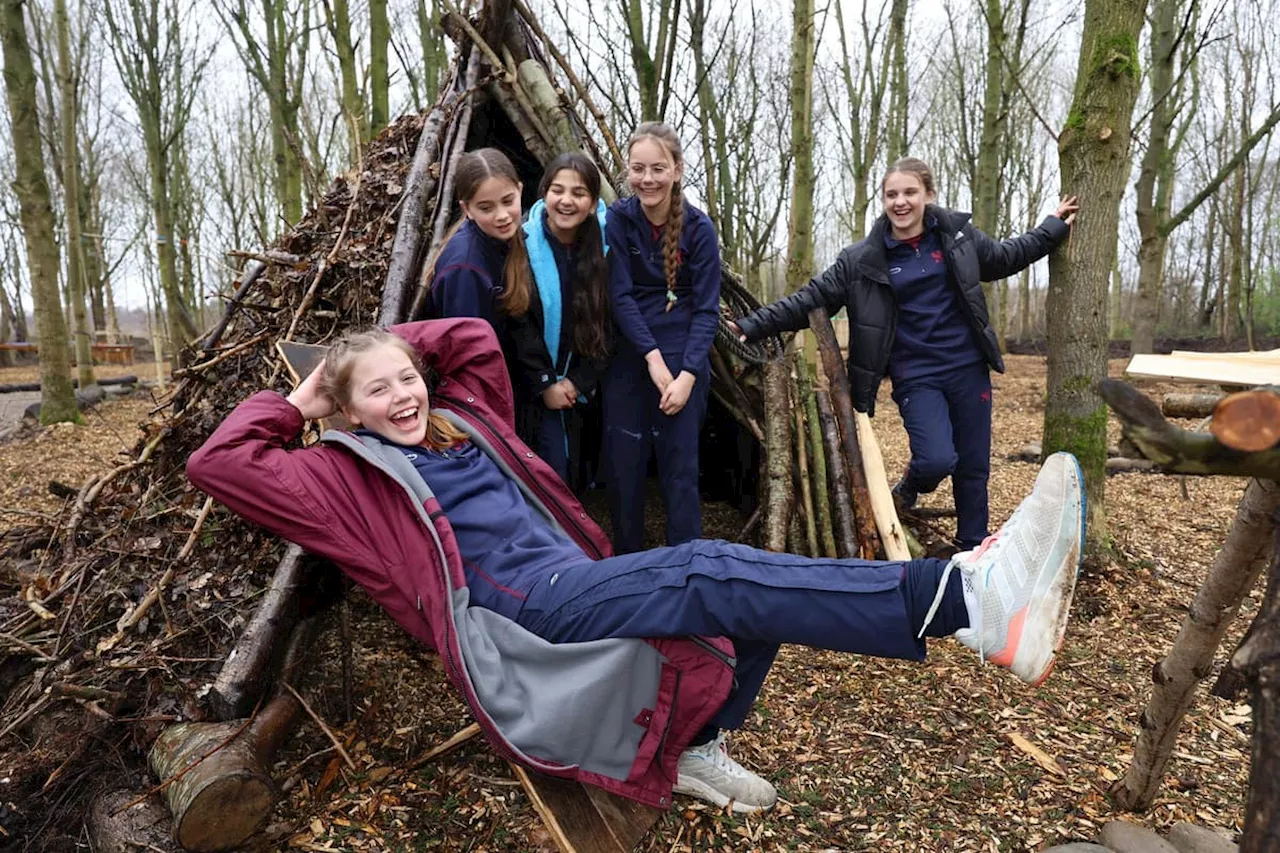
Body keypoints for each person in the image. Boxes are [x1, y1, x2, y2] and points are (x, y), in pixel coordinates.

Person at [187, 318, 1086, 815]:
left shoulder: (465, 419)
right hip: (514, 615)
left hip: (569, 578)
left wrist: (385, 347)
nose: (406, 394)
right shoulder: (341, 477)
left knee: (750, 590)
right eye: (378, 390)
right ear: (343, 411)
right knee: (707, 568)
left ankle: (695, 746)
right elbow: (219, 465)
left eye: (407, 377)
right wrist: (307, 392)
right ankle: (967, 597)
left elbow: (467, 338)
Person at [732, 157, 1079, 551]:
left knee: (973, 466)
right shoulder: (861, 260)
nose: (900, 202)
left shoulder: (959, 239)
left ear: (928, 195)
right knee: (936, 459)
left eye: (910, 192)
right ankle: (911, 485)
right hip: (916, 374)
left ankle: (971, 549)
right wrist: (749, 325)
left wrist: (1051, 227)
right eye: (891, 194)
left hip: (967, 367)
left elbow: (1005, 258)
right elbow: (809, 299)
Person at [604, 122, 721, 553]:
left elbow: (707, 309)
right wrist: (652, 359)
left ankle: (685, 566)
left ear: (676, 170)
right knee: (624, 466)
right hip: (631, 353)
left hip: (684, 353)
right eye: (638, 169)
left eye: (658, 168)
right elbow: (620, 295)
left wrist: (688, 374)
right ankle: (627, 564)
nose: (647, 179)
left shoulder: (698, 229)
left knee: (680, 469)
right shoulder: (619, 219)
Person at [508, 152, 612, 484]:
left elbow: (612, 324)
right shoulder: (521, 245)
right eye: (558, 190)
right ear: (544, 194)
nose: (566, 201)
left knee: (582, 474)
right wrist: (545, 384)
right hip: (534, 388)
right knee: (547, 475)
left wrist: (578, 381)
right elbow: (517, 321)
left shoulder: (607, 250)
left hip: (584, 385)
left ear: (594, 203)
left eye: (578, 193)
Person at [426, 147, 532, 373]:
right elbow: (467, 356)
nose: (502, 215)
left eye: (507, 201)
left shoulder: (516, 238)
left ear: (520, 190)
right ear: (467, 209)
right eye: (486, 208)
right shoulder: (464, 268)